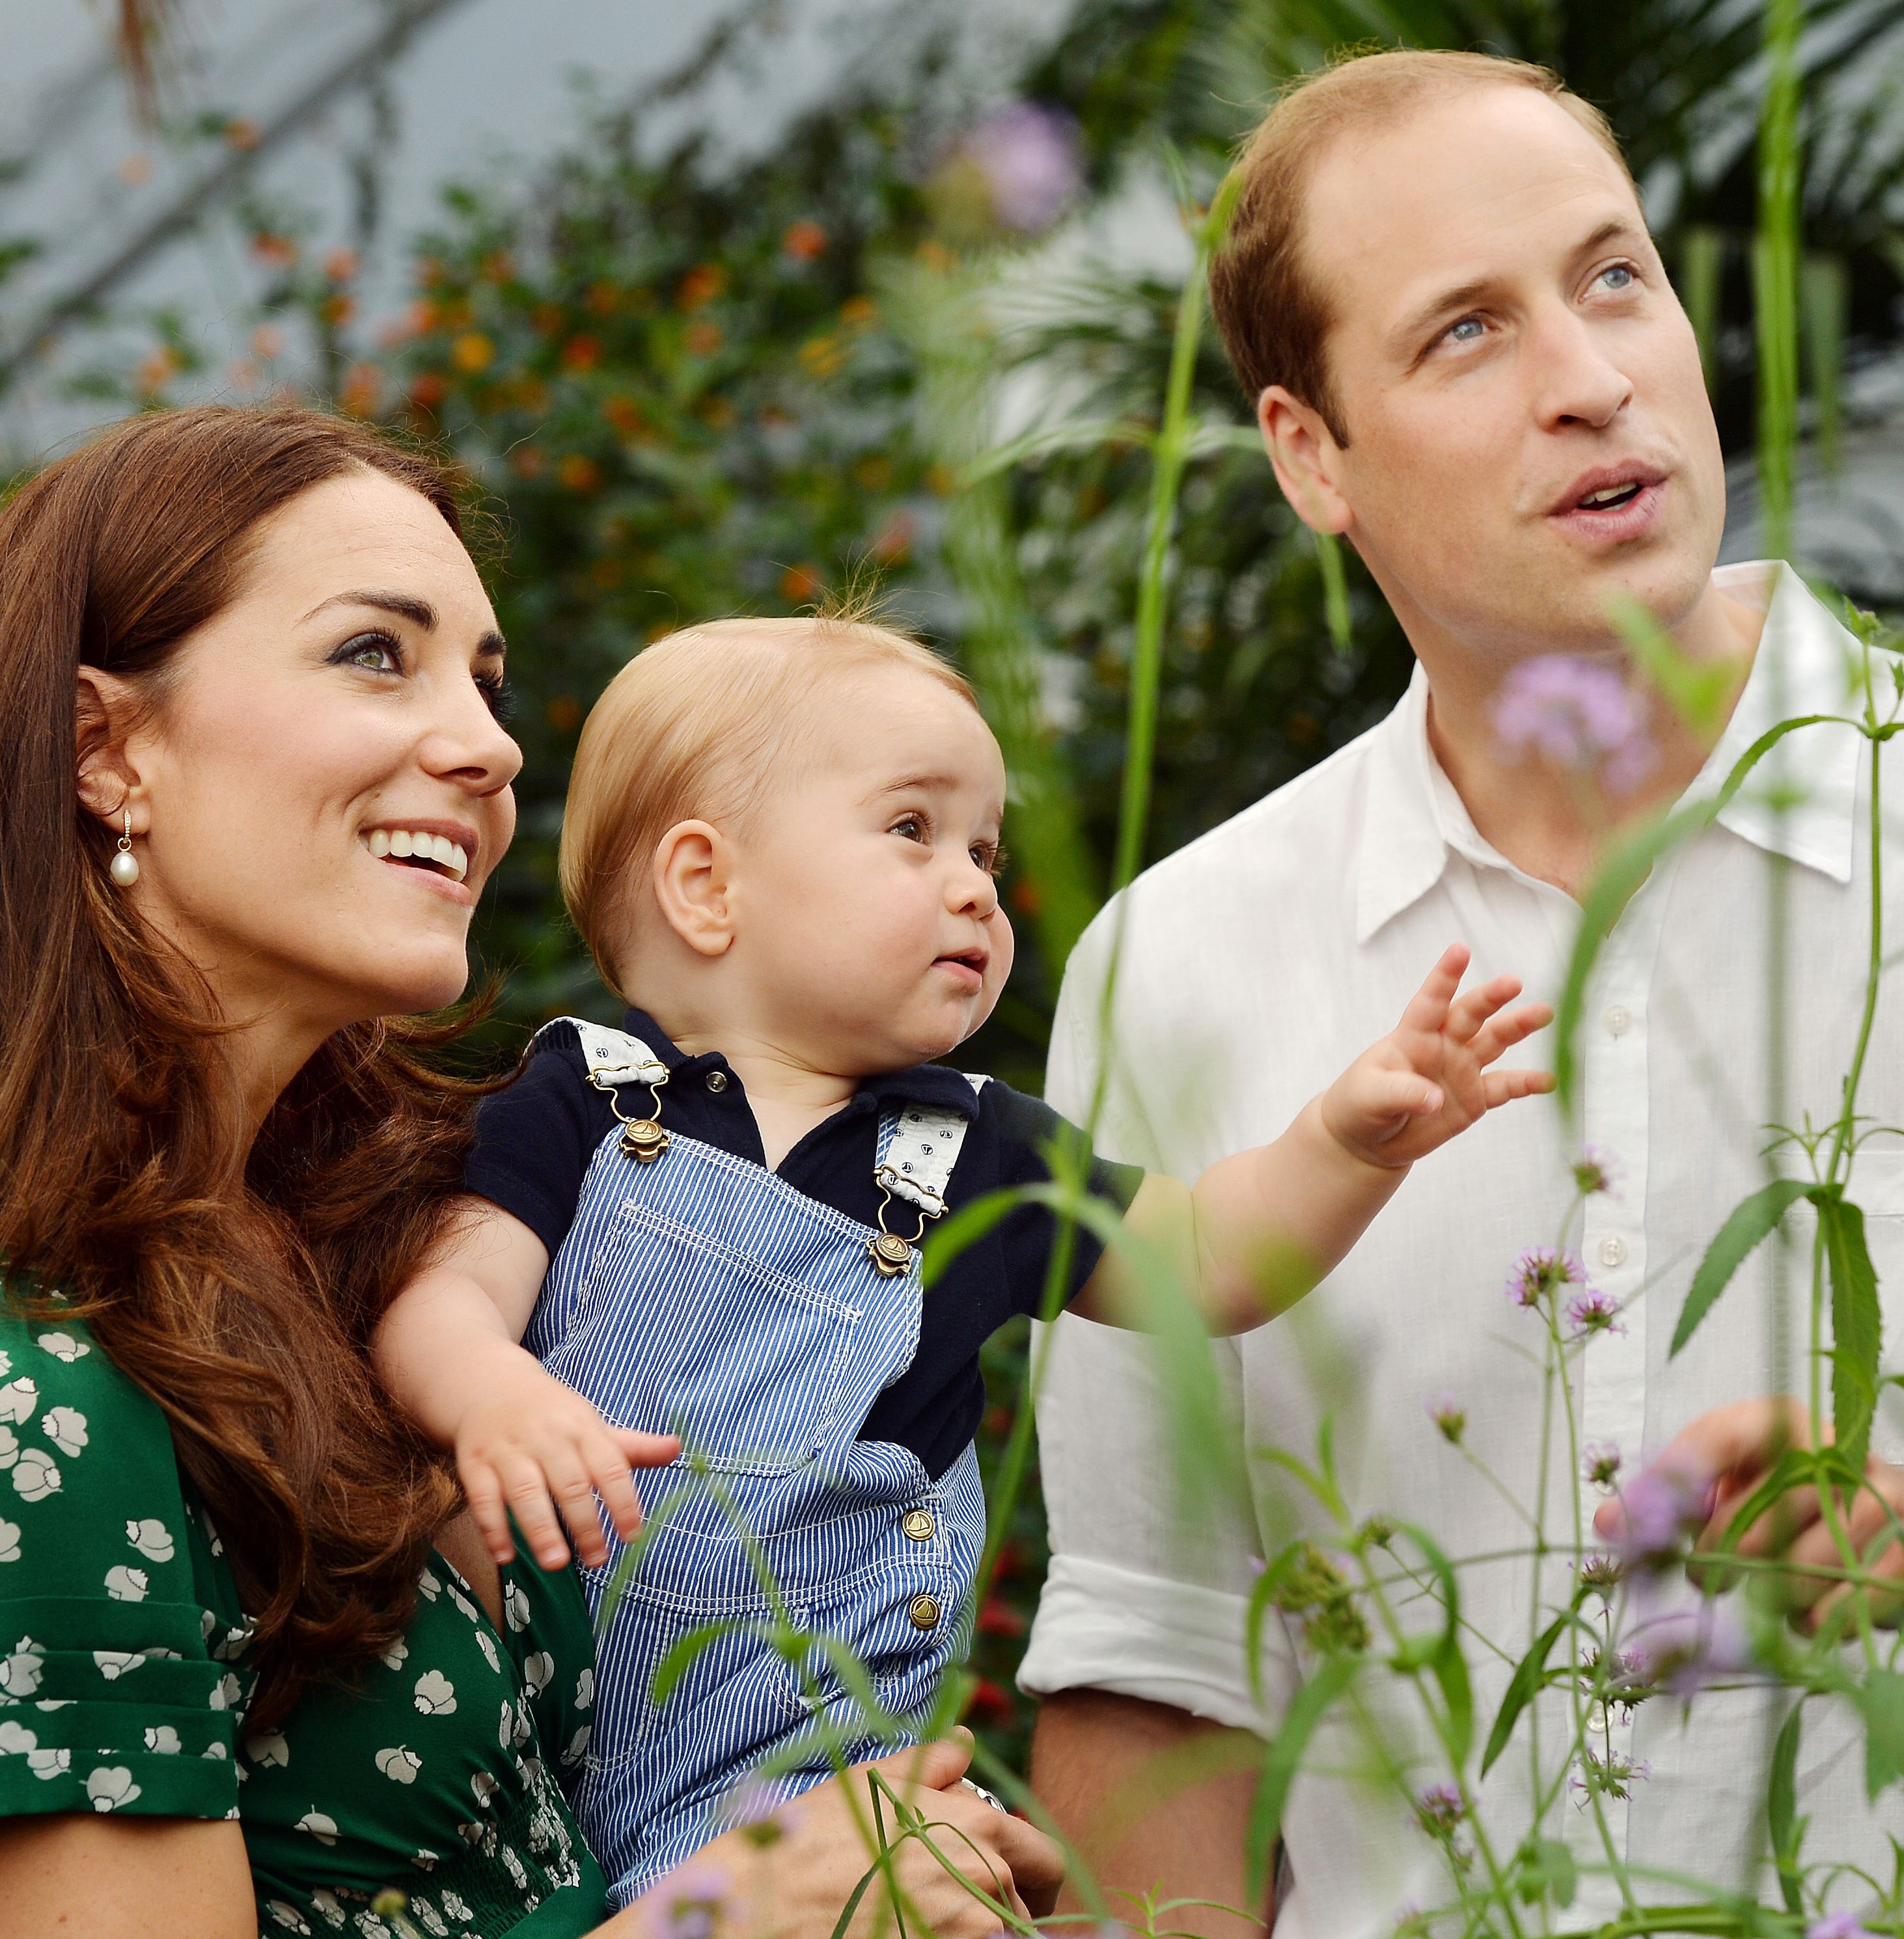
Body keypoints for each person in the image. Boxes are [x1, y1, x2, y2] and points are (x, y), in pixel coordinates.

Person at [1019, 47, 1904, 1939]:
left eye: (1612, 273)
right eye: (1466, 331)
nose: (1590, 376)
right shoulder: (1178, 961)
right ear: (1311, 454)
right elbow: (1159, 1665)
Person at [0, 405, 1063, 1939]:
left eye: (488, 686)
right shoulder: (47, 1384)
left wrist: (899, 1854)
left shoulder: (394, 1244)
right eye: (376, 652)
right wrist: (741, 1906)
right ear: (110, 750)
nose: (491, 745)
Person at [367, 609, 1555, 1906]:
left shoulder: (977, 1150)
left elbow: (1210, 1259)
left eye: (985, 847)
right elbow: (444, 1299)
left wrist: (1346, 1140)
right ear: (706, 884)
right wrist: (492, 1393)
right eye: (911, 830)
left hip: (830, 1790)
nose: (976, 882)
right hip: (539, 1764)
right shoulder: (583, 1105)